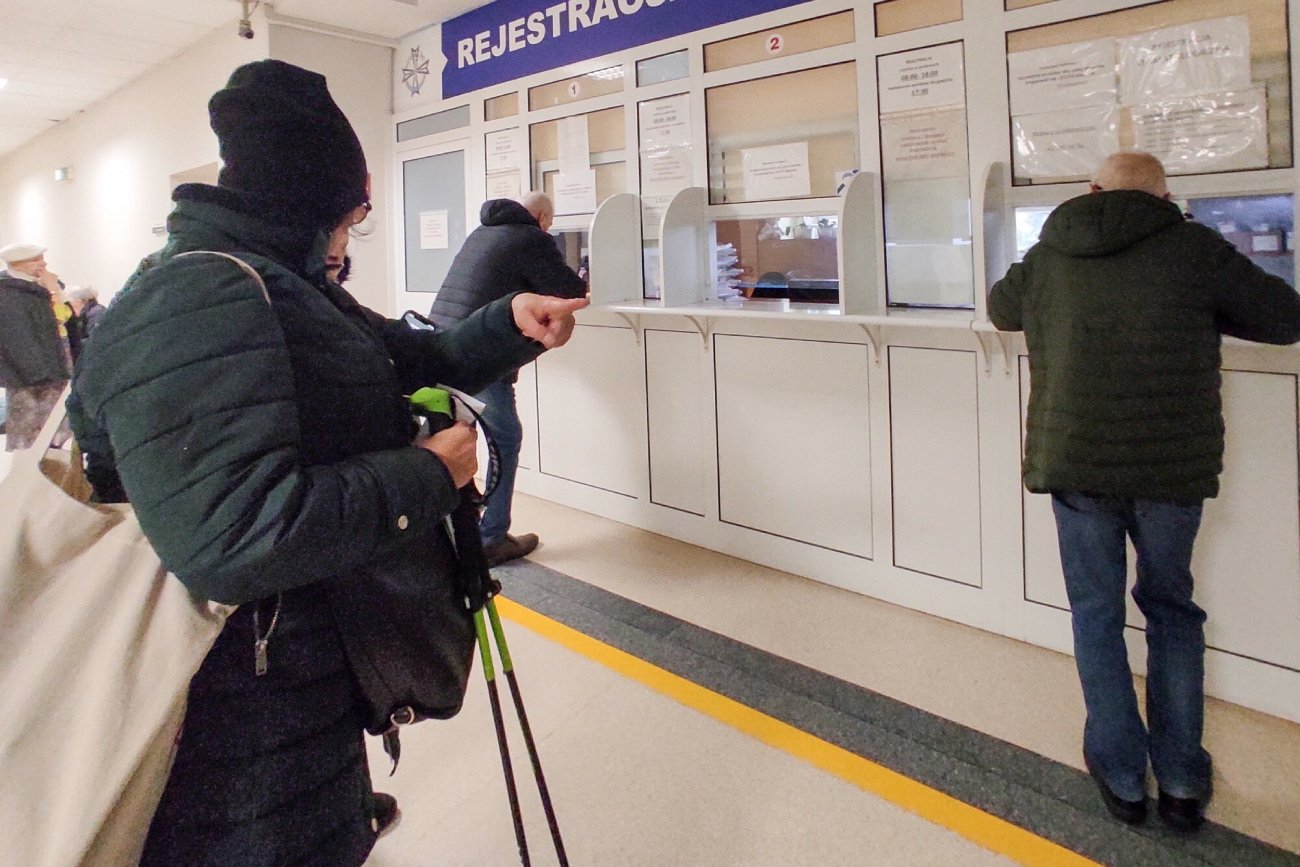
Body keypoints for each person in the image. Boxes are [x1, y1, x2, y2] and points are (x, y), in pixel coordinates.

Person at [67, 60, 587, 866]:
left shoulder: (286, 285)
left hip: (303, 668)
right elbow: (231, 538)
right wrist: (430, 474)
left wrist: (509, 321)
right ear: (308, 204)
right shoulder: (197, 297)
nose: (352, 237)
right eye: (352, 217)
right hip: (233, 716)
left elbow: (409, 353)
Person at [988, 151, 1300, 832]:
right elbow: (1285, 318)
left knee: (1095, 614)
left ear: (1092, 190)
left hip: (1076, 460)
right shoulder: (1194, 248)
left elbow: (1001, 307)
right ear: (1166, 198)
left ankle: (1122, 773)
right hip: (1168, 469)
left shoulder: (1051, 248)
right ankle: (1182, 778)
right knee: (1170, 610)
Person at [428, 191, 587, 566]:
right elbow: (571, 290)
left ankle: (456, 531)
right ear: (543, 218)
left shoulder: (483, 232)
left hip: (439, 343)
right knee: (504, 438)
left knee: (456, 437)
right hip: (479, 352)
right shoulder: (531, 237)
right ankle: (492, 537)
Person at [0, 243, 71, 450]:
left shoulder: (38, 290)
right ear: (18, 264)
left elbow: (67, 321)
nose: (43, 263)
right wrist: (39, 374)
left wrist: (54, 289)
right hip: (29, 379)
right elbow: (17, 337)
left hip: (51, 373)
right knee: (28, 440)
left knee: (54, 439)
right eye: (36, 259)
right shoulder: (9, 294)